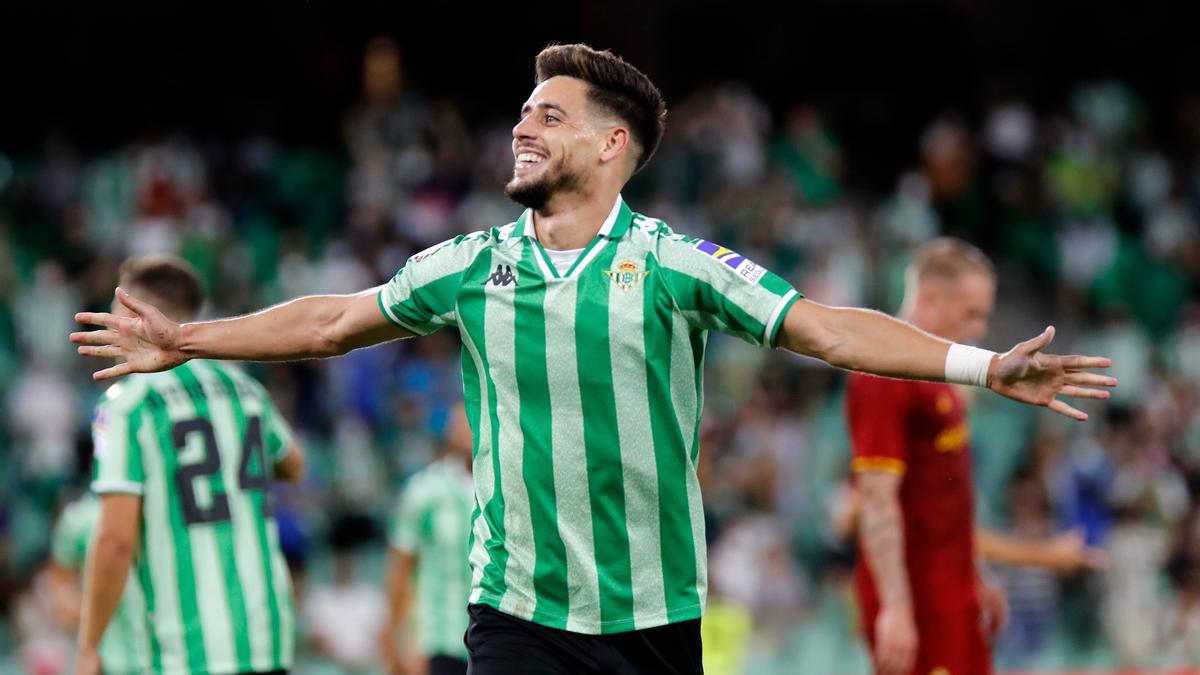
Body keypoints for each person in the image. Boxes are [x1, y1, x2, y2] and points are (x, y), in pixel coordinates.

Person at [71, 45, 1114, 674]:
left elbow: (829, 328)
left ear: (611, 145)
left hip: (654, 613)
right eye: (526, 110)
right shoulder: (471, 264)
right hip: (515, 608)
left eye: (550, 114)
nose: (523, 124)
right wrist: (184, 338)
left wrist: (981, 365)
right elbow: (333, 322)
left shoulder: (673, 264)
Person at [846, 239, 1103, 675]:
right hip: (919, 601)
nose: (981, 328)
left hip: (953, 593)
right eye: (971, 314)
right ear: (929, 300)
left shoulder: (939, 376)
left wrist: (974, 576)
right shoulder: (883, 375)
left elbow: (940, 503)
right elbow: (876, 500)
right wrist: (896, 609)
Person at [73, 255, 305, 675]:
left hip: (185, 648)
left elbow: (115, 541)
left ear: (132, 312)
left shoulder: (128, 406)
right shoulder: (246, 391)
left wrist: (89, 645)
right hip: (267, 635)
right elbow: (293, 465)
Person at [380, 403, 474, 675]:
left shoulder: (505, 492)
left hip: (493, 641)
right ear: (450, 432)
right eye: (462, 422)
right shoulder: (425, 491)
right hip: (438, 639)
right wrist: (396, 640)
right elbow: (399, 569)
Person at [48, 493, 148, 674]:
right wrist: (87, 620)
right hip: (112, 659)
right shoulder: (78, 519)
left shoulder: (155, 508)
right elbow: (60, 581)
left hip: (159, 654)